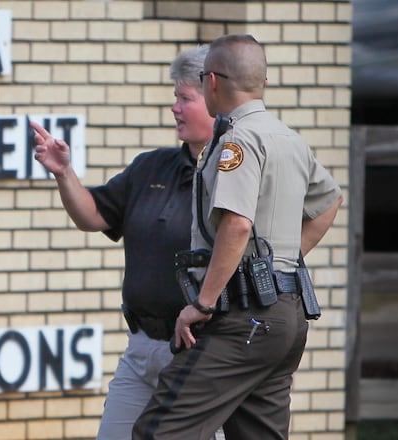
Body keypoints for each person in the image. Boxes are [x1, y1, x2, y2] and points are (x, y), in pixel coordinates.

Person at [132, 34, 344, 439]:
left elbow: (237, 223)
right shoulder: (288, 138)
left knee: (159, 430)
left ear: (212, 81)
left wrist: (203, 302)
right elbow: (330, 200)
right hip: (286, 315)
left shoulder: (236, 141)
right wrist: (282, 261)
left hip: (241, 318)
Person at [31, 46, 215, 439]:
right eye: (175, 98)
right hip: (141, 348)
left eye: (185, 99)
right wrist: (64, 173)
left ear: (215, 101)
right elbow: (92, 216)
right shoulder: (151, 166)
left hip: (199, 355)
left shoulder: (235, 174)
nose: (175, 108)